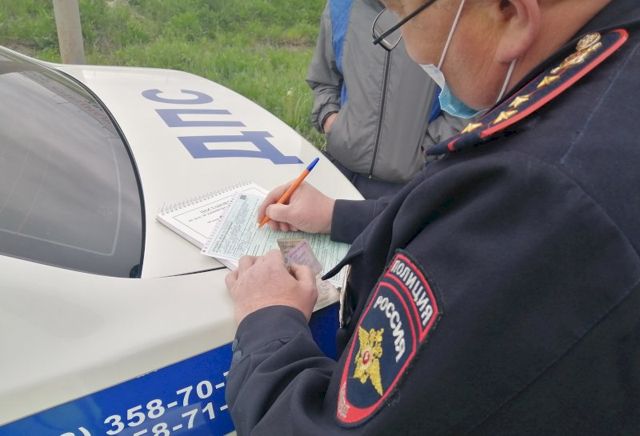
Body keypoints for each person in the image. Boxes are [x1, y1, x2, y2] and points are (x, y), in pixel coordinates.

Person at [225, 0, 640, 433]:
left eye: (404, 18)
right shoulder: (604, 76)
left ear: (508, 13)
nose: (414, 51)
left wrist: (268, 319)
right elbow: (453, 212)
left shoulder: (540, 197)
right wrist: (335, 214)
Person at [307, 0, 463, 199]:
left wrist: (429, 151)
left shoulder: (451, 10)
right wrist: (332, 122)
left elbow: (468, 102)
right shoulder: (341, 5)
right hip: (341, 173)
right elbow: (324, 79)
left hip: (414, 186)